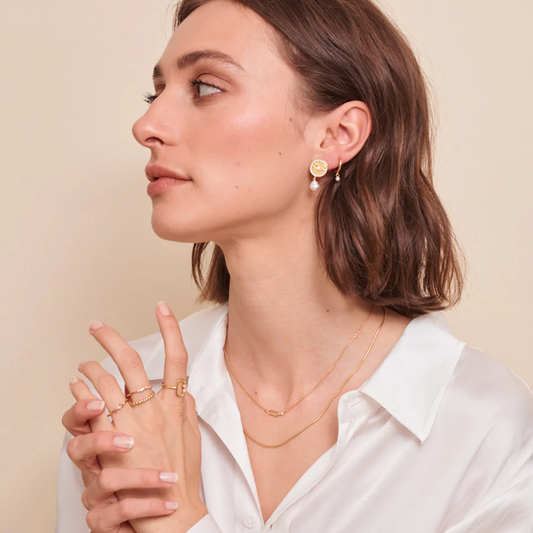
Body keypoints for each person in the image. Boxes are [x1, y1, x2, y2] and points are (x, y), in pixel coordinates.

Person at [55, 0, 533, 531]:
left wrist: (179, 521)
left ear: (337, 136)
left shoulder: (483, 427)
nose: (146, 124)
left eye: (205, 87)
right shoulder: (127, 401)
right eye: (156, 92)